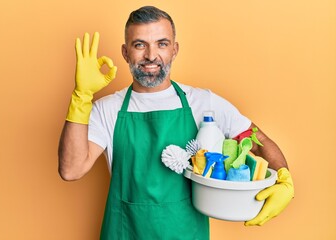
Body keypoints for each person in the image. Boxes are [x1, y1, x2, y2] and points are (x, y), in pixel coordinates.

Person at [58, 5, 294, 239]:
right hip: (125, 231)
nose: (151, 55)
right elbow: (71, 170)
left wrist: (285, 178)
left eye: (162, 44)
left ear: (174, 49)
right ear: (125, 52)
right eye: (140, 45)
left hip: (186, 233)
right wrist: (81, 97)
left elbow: (257, 140)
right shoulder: (108, 109)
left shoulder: (204, 103)